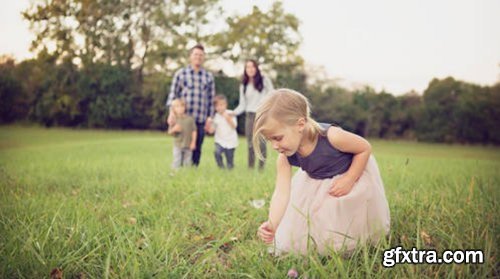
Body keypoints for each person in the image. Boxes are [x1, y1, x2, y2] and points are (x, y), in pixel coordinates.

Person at [254, 89, 390, 255]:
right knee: (311, 224)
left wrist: (349, 179)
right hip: (316, 183)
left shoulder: (332, 136)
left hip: (351, 174)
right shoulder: (284, 157)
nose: (274, 146)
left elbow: (364, 148)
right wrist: (273, 223)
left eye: (278, 138)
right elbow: (281, 193)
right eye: (270, 140)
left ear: (300, 124)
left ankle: (353, 243)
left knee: (344, 216)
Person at [166, 44, 215, 166]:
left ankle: (193, 171)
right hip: (183, 119)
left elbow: (211, 99)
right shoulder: (180, 74)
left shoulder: (208, 76)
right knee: (181, 146)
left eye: (201, 55)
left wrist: (210, 118)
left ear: (204, 58)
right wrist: (171, 114)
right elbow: (173, 96)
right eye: (195, 54)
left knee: (197, 147)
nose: (198, 57)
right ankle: (179, 170)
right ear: (190, 57)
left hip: (200, 119)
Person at [231, 59, 274, 170]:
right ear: (245, 70)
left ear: (256, 68)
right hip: (250, 115)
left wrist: (269, 110)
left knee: (261, 142)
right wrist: (232, 113)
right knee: (250, 143)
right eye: (248, 67)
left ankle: (261, 168)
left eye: (252, 66)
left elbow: (273, 95)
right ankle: (250, 168)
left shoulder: (264, 80)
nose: (250, 69)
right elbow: (242, 105)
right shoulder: (244, 85)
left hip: (262, 114)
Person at [206, 95, 238, 169]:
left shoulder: (231, 113)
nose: (219, 107)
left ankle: (230, 169)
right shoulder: (215, 116)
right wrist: (209, 123)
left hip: (231, 141)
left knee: (229, 161)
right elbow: (211, 131)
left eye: (221, 105)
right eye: (217, 106)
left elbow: (234, 126)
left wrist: (228, 118)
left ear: (225, 105)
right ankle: (221, 167)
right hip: (219, 141)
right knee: (217, 153)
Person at [168, 99, 197, 169]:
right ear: (173, 109)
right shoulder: (173, 120)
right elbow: (169, 132)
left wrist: (193, 142)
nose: (180, 108)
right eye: (177, 107)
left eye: (182, 106)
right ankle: (175, 173)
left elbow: (194, 131)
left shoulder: (190, 119)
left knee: (187, 161)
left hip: (188, 144)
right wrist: (174, 129)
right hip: (178, 145)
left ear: (185, 107)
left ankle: (186, 174)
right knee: (177, 160)